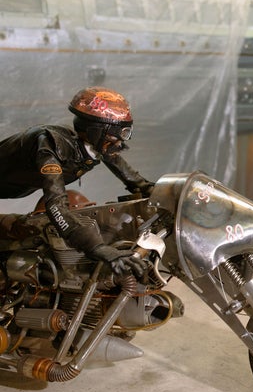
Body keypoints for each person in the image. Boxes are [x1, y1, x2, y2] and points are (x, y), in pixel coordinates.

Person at [0, 87, 155, 276]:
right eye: (118, 134)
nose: (121, 143)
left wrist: (166, 194)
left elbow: (133, 179)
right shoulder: (50, 145)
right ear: (97, 131)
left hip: (9, 189)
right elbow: (56, 205)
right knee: (28, 233)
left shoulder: (96, 145)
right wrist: (99, 248)